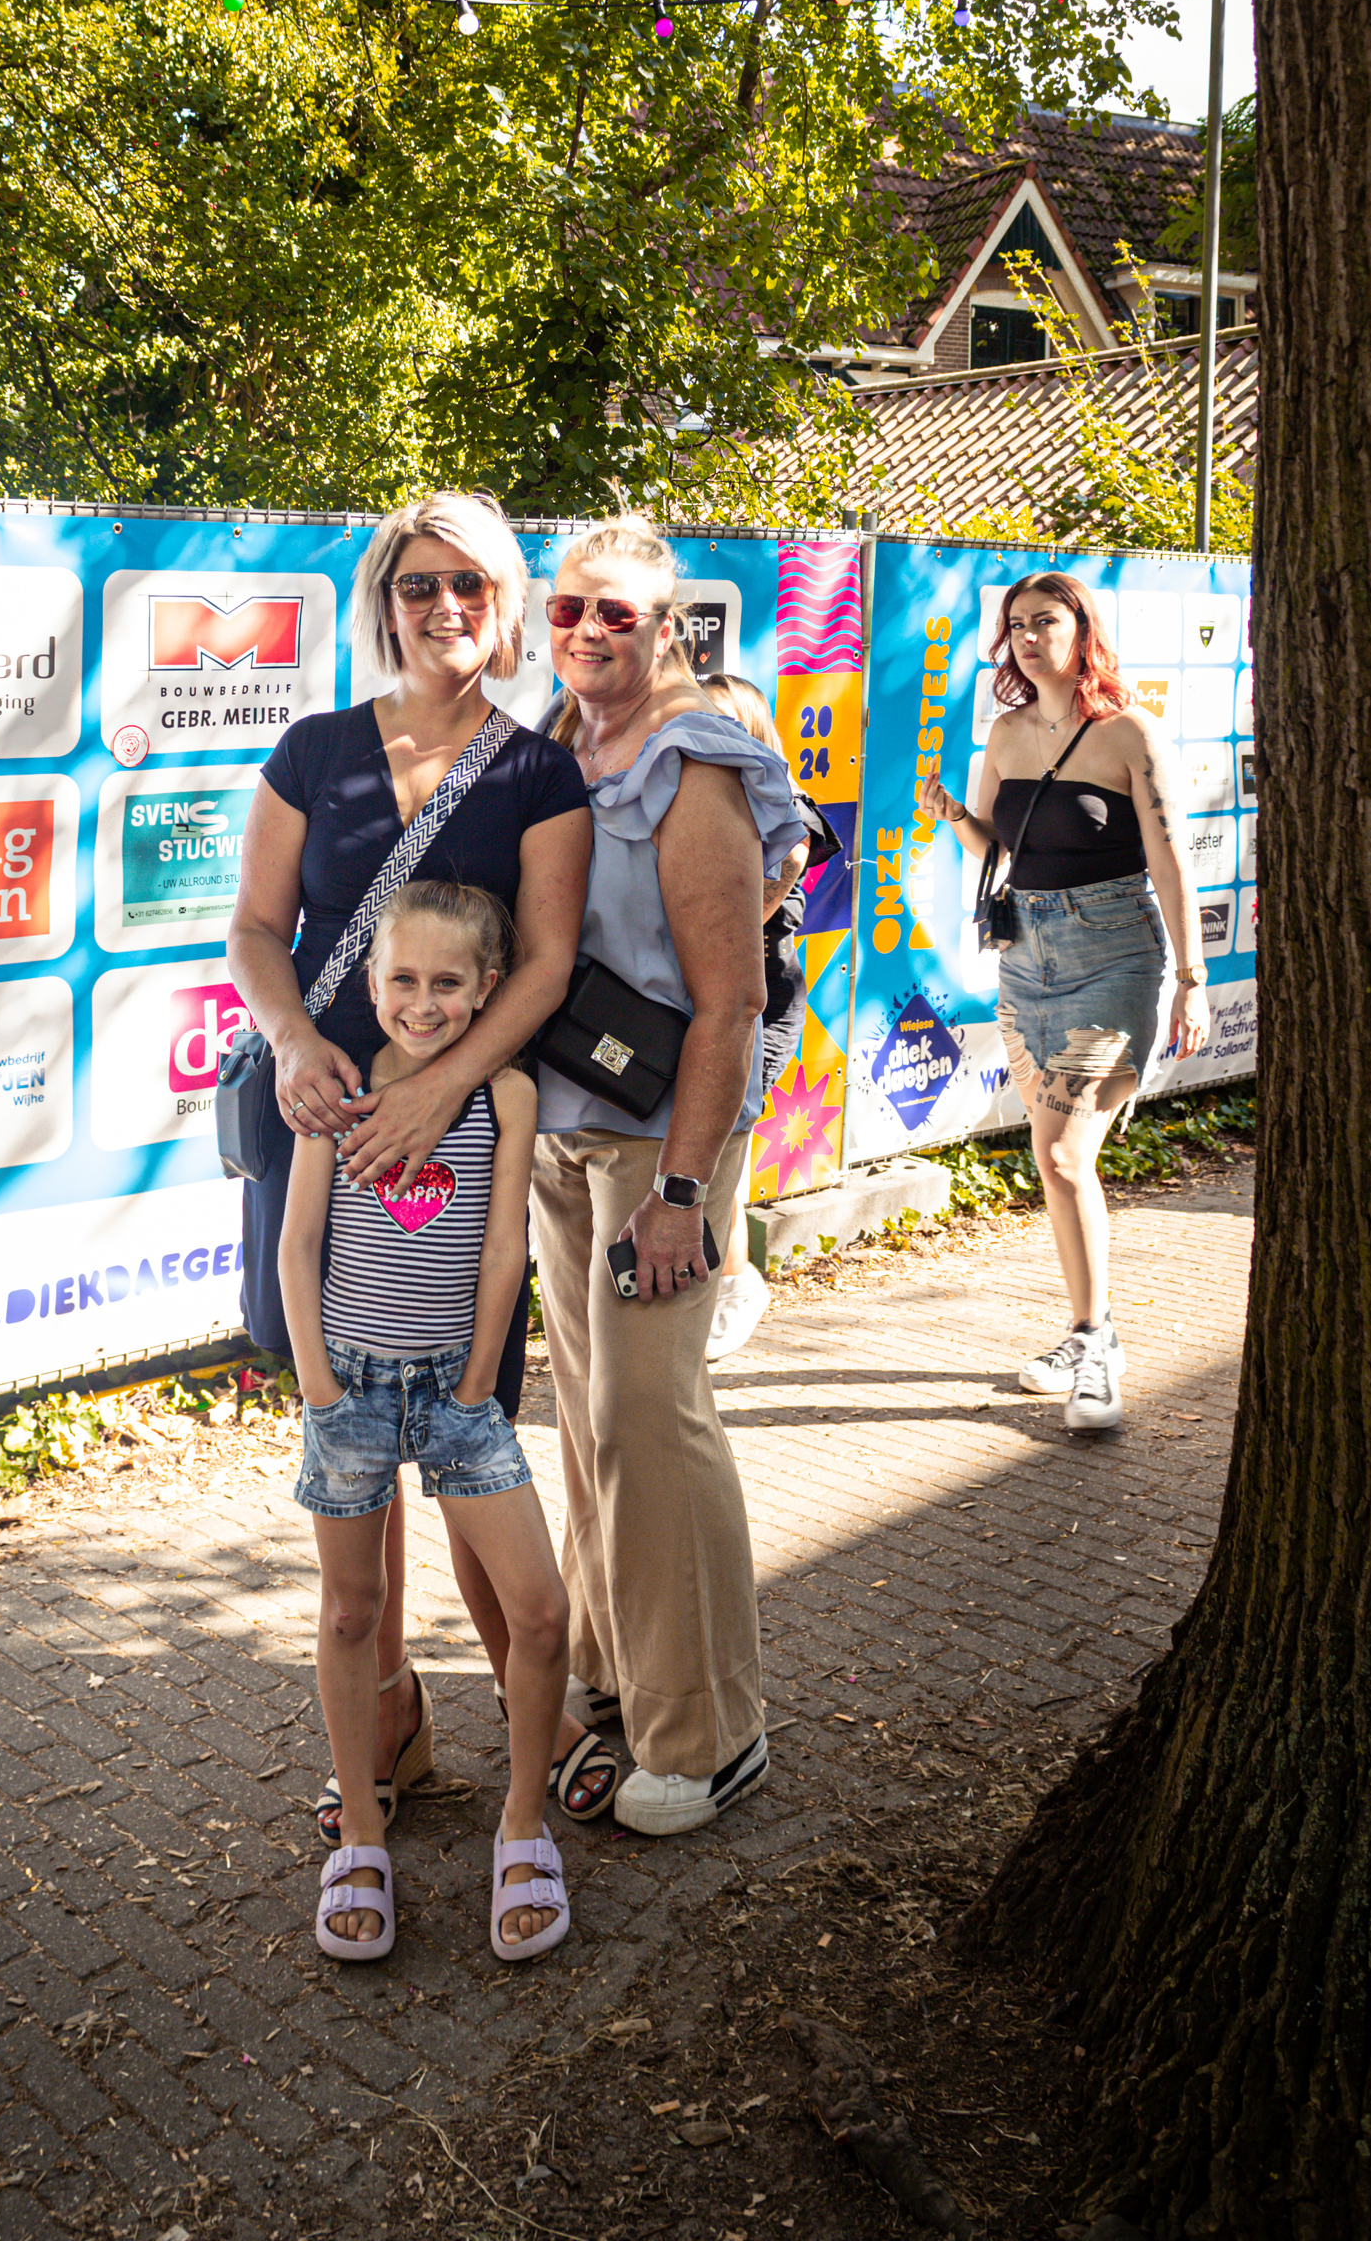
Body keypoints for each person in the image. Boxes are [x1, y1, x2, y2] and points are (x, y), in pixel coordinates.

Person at [225, 491, 605, 1842]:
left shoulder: (535, 773)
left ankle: (530, 1713)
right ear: (385, 596)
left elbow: (548, 961)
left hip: (462, 1139)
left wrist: (440, 1086)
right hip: (323, 1126)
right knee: (346, 1431)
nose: (446, 607)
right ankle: (383, 1725)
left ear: (504, 609)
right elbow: (261, 930)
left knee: (464, 1416)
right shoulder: (315, 748)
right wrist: (287, 1044)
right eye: (421, 583)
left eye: (474, 587)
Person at [531, 517, 804, 1836]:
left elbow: (732, 1000)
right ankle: (612, 1672)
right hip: (561, 1127)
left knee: (650, 1410)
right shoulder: (562, 739)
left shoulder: (696, 760)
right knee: (587, 1417)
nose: (588, 633)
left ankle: (711, 1731)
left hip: (659, 1142)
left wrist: (687, 1195)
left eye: (616, 616)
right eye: (569, 610)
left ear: (670, 627)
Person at [280, 882, 574, 1963]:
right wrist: (316, 1384)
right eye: (403, 979)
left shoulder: (504, 1094)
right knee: (353, 1613)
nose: (423, 1000)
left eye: (449, 982)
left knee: (538, 1614)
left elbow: (505, 1247)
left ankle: (522, 1823)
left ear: (487, 989)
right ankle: (360, 1832)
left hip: (458, 1395)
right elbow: (295, 1243)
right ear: (371, 983)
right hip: (346, 1392)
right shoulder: (339, 1092)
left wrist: (477, 1385)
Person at [916, 569, 1211, 1432]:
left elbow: (1171, 862)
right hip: (1026, 967)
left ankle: (1096, 1344)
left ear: (1083, 629)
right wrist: (954, 816)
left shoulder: (1128, 732)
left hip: (1113, 960)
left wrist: (1191, 979)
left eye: (1045, 621)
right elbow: (995, 845)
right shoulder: (1004, 735)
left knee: (1068, 1155)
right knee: (1051, 1159)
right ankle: (1086, 1329)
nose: (1028, 637)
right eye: (1015, 626)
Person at [695, 675, 843, 1363]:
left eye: (722, 723)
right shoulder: (689, 802)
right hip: (695, 1003)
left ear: (753, 732)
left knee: (723, 1141)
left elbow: (739, 918)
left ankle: (736, 1282)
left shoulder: (789, 817)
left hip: (754, 1007)